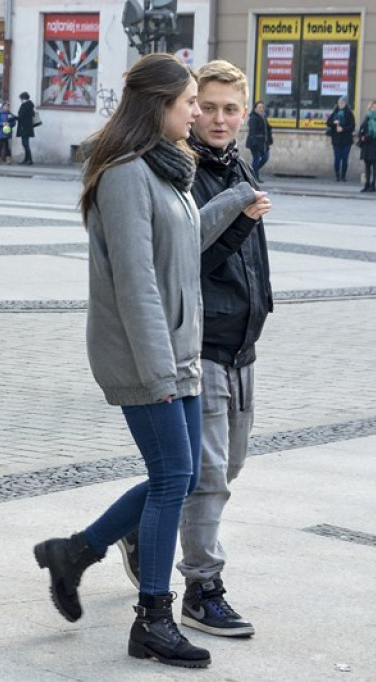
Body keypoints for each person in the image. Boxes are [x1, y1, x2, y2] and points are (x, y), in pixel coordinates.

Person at [30, 53, 268, 670]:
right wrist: (162, 376)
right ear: (159, 105)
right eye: (190, 102)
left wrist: (237, 199)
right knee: (173, 479)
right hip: (143, 358)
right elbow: (137, 285)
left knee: (181, 477)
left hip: (176, 351)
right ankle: (153, 622)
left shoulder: (166, 171)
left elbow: (184, 245)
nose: (197, 113)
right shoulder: (124, 175)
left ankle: (76, 552)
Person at [117, 59, 273, 640]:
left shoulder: (241, 163)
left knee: (221, 468)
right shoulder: (175, 168)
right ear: (184, 104)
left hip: (242, 343)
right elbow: (175, 266)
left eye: (231, 108)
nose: (216, 118)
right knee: (202, 478)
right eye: (205, 105)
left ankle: (138, 530)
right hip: (198, 342)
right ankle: (201, 586)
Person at [326, 96, 355, 182]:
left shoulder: (349, 113)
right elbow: (328, 122)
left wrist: (343, 129)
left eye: (342, 103)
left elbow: (352, 126)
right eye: (339, 103)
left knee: (345, 158)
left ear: (345, 104)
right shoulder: (335, 113)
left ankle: (343, 176)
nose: (340, 105)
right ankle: (337, 175)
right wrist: (334, 123)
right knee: (337, 158)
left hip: (346, 140)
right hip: (336, 139)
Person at [245, 101, 272, 181]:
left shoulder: (264, 117)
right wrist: (254, 141)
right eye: (259, 107)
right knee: (256, 158)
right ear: (255, 108)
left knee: (265, 157)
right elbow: (252, 131)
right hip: (255, 142)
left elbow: (267, 129)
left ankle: (251, 171)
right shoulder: (253, 117)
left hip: (264, 143)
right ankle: (255, 177)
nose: (261, 109)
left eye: (262, 107)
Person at [356, 100, 376, 193]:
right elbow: (361, 129)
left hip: (375, 145)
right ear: (370, 107)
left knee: (375, 166)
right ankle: (367, 184)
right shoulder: (367, 117)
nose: (374, 109)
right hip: (366, 146)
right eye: (373, 107)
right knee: (367, 166)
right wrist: (361, 137)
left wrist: (367, 137)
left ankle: (373, 185)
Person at [16, 91, 39, 165]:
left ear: (23, 98)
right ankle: (27, 159)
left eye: (21, 98)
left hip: (24, 127)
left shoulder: (25, 105)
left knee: (25, 144)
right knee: (25, 143)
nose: (20, 100)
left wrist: (13, 117)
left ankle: (29, 159)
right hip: (28, 127)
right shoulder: (30, 105)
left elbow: (21, 116)